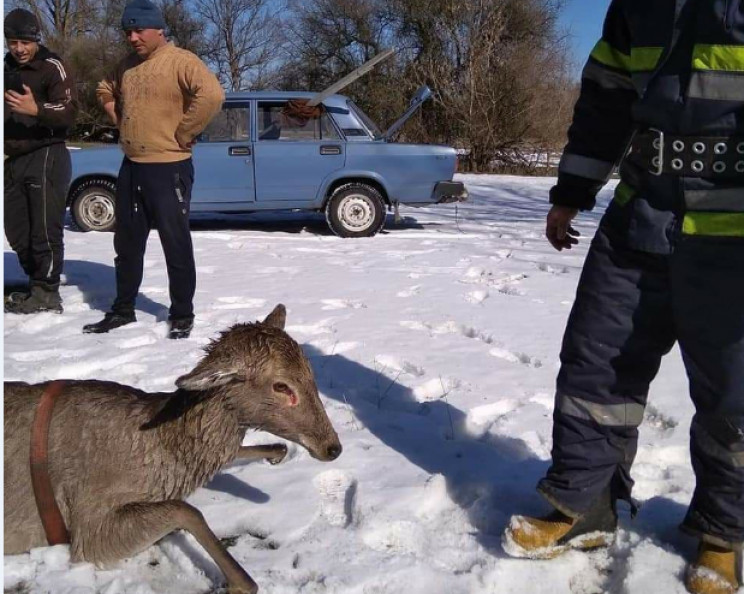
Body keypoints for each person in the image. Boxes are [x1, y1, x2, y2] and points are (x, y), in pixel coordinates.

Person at [502, 2, 744, 593]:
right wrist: (573, 190)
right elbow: (606, 96)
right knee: (596, 365)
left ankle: (725, 535)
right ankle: (584, 505)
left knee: (735, 392)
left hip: (733, 228)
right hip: (641, 213)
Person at [82, 0, 224, 339]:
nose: (132, 37)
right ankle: (123, 309)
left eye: (138, 30)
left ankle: (181, 314)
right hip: (132, 167)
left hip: (169, 168)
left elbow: (212, 96)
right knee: (127, 243)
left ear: (159, 29)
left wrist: (184, 132)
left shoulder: (181, 61)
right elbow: (104, 87)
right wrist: (115, 114)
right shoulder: (127, 66)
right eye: (127, 31)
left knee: (175, 243)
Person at [4, 8, 76, 314]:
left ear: (36, 39)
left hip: (47, 153)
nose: (19, 49)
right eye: (11, 42)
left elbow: (70, 112)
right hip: (14, 158)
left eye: (24, 41)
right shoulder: (6, 67)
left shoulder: (52, 66)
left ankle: (47, 292)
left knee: (44, 229)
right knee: (16, 228)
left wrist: (38, 109)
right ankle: (35, 281)